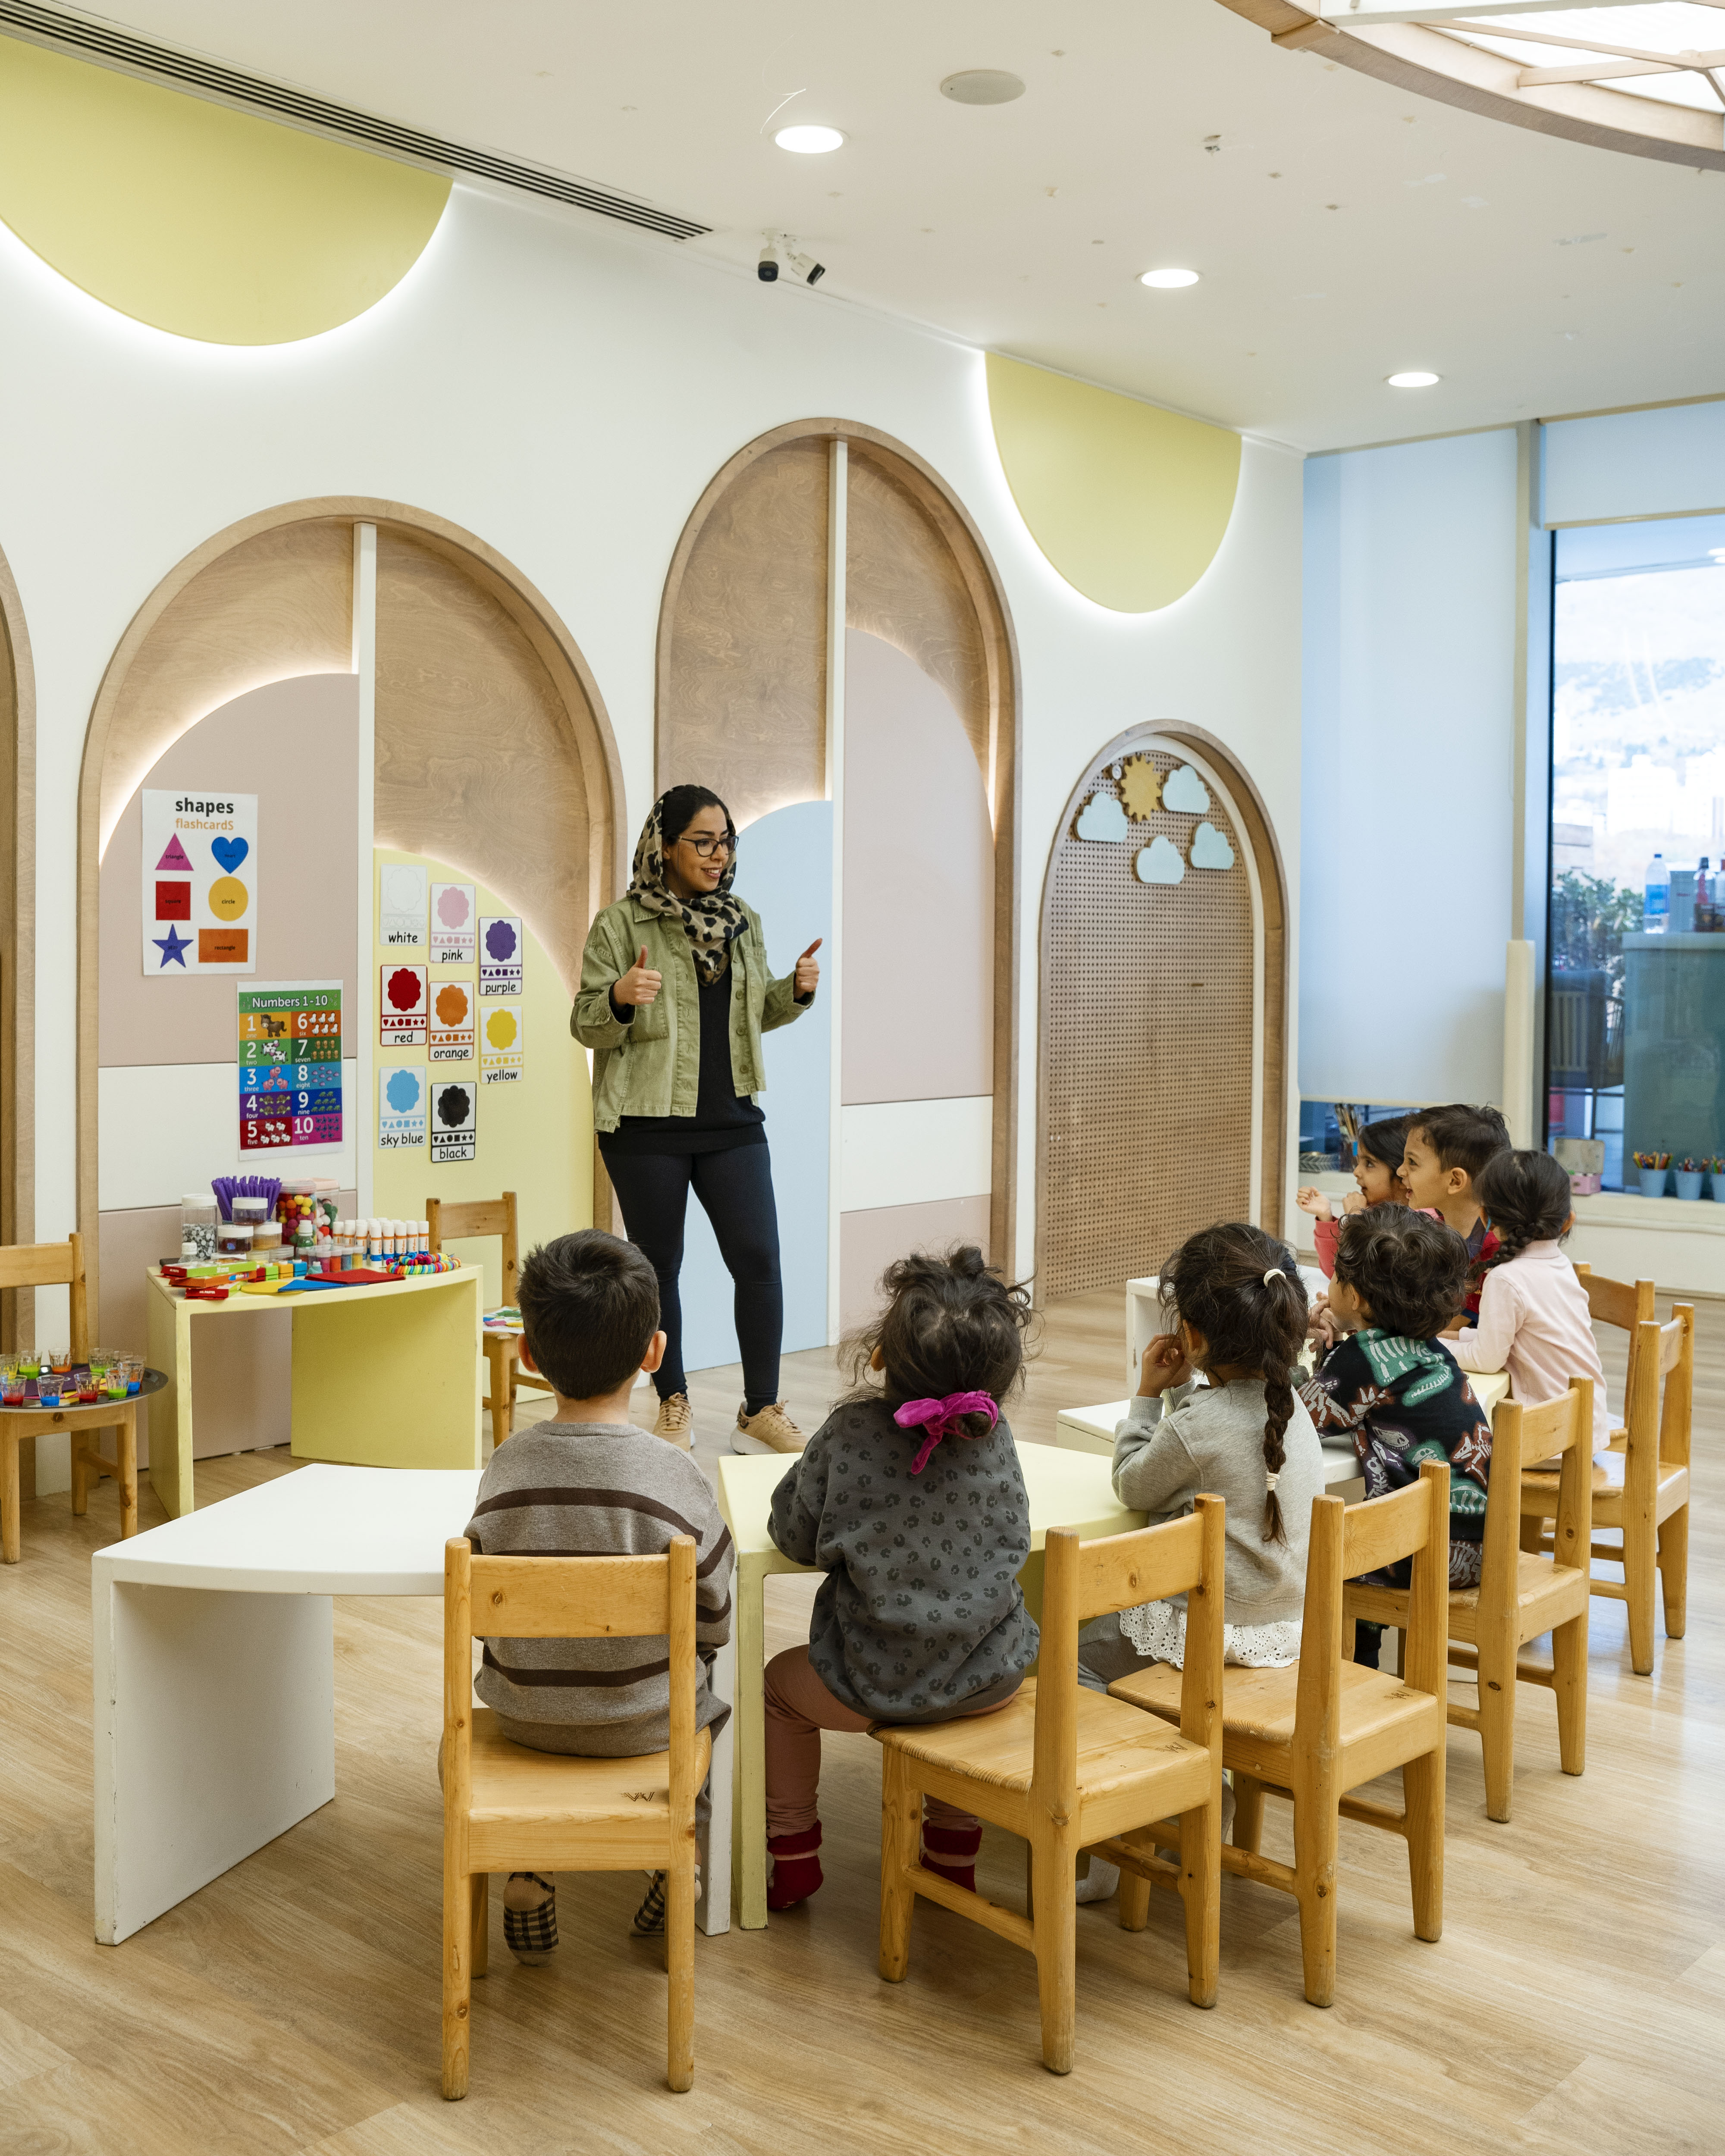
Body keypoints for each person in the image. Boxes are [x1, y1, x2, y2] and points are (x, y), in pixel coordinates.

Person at [460, 1230, 734, 1956]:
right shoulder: (675, 1475)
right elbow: (715, 1614)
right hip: (647, 1727)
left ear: (528, 1354)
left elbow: (484, 1613)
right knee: (710, 1704)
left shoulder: (505, 1468)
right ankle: (676, 1864)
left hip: (526, 1720)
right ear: (654, 1353)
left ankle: (530, 1867)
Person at [760, 1247, 1039, 1911]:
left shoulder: (849, 1432)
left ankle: (793, 1852)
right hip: (989, 1679)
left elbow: (793, 1536)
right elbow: (1016, 1537)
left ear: (880, 1355)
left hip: (870, 1683)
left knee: (777, 1691)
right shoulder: (995, 1435)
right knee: (956, 1699)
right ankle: (952, 1855)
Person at [1073, 1224, 1324, 1902]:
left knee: (1074, 1662)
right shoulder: (1293, 1408)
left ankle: (1130, 1820)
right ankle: (1187, 1783)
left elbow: (1132, 1483)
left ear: (1190, 1334)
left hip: (1212, 1640)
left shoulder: (1196, 1426)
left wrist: (1149, 1394)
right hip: (1286, 1631)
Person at [573, 785, 820, 1456]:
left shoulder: (742, 920)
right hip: (644, 1126)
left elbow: (751, 1015)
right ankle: (673, 1401)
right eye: (703, 842)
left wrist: (794, 991)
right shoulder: (620, 925)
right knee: (660, 1268)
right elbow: (587, 1023)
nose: (718, 855)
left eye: (725, 842)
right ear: (664, 845)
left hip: (732, 1120)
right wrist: (620, 997)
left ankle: (761, 1409)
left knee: (759, 1259)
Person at [1298, 1209, 1493, 1666]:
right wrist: (1336, 1351)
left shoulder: (1362, 1355)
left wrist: (1300, 1350)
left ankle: (1354, 1668)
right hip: (1479, 1545)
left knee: (1315, 1552)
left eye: (1337, 1275)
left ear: (1356, 1296)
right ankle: (1365, 1661)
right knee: (1367, 1529)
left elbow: (1304, 1419)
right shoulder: (1430, 1347)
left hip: (1427, 1553)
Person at [1448, 1149, 1611, 1455]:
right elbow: (1518, 1337)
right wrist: (1456, 1337)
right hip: (1588, 1430)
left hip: (1547, 1443)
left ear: (1485, 1216)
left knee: (1447, 1444)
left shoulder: (1505, 1279)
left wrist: (1434, 1346)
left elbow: (1486, 1360)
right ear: (1567, 1221)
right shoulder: (1561, 1266)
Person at [1399, 1104, 1510, 1294]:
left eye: (1412, 1162)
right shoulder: (1430, 1234)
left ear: (1455, 1181)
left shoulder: (1496, 1255)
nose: (1400, 1171)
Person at [1296, 1113, 1409, 1279]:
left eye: (1369, 1164)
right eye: (1358, 1162)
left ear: (1402, 1173)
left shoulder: (1418, 1226)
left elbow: (1358, 1276)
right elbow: (1335, 1272)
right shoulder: (1372, 1210)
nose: (1356, 1172)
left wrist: (1356, 1219)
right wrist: (1325, 1216)